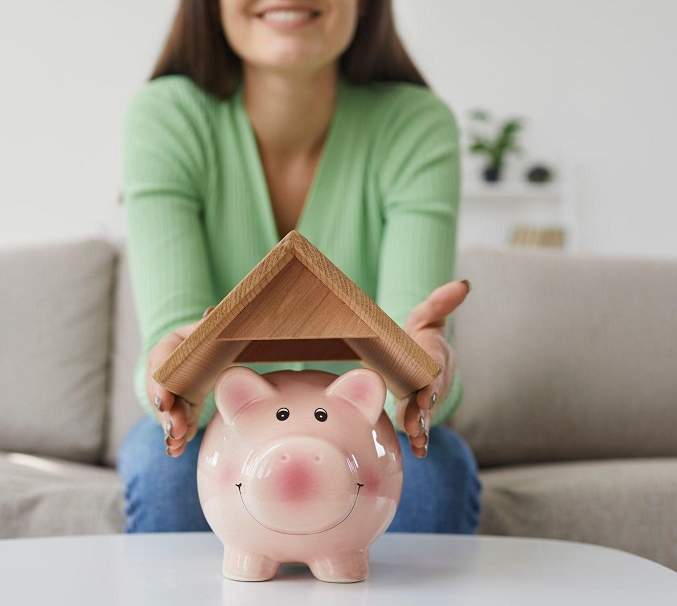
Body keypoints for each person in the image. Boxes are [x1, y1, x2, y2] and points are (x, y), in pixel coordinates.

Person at [117, 0, 480, 534]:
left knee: (435, 475)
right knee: (162, 471)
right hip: (224, 419)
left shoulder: (415, 124)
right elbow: (166, 342)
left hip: (362, 422)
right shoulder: (166, 117)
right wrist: (173, 375)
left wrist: (424, 374)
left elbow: (414, 361)